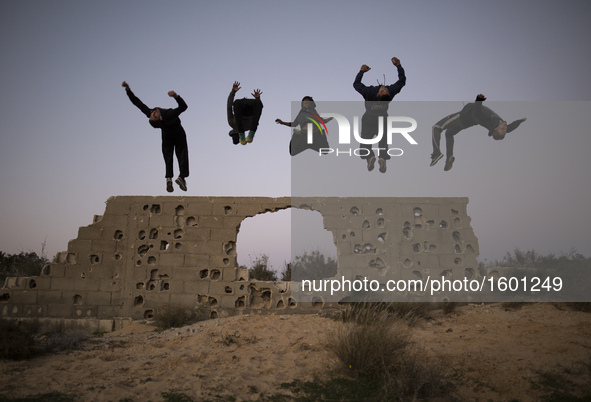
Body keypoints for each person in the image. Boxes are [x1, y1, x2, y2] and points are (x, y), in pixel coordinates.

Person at [122, 81, 190, 192]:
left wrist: (128, 90)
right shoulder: (168, 114)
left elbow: (137, 103)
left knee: (169, 156)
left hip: (167, 135)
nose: (153, 112)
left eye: (152, 113)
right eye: (154, 114)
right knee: (181, 154)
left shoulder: (149, 112)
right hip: (178, 134)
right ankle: (181, 177)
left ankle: (170, 178)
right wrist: (176, 96)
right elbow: (184, 107)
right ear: (160, 118)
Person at [430, 94, 527, 171]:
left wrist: (479, 100)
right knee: (449, 133)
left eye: (503, 129)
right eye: (505, 129)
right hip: (467, 123)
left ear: (496, 129)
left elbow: (477, 112)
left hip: (462, 118)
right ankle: (449, 158)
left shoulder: (487, 119)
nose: (505, 127)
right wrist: (520, 121)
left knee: (436, 127)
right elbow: (511, 128)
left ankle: (436, 154)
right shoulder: (502, 125)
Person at [353, 57, 406, 173]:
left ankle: (375, 158)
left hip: (373, 119)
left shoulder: (370, 92)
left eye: (384, 90)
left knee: (375, 140)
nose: (384, 88)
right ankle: (376, 158)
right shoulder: (390, 91)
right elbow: (401, 82)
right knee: (374, 141)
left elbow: (356, 84)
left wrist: (361, 71)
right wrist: (398, 66)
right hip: (377, 119)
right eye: (384, 90)